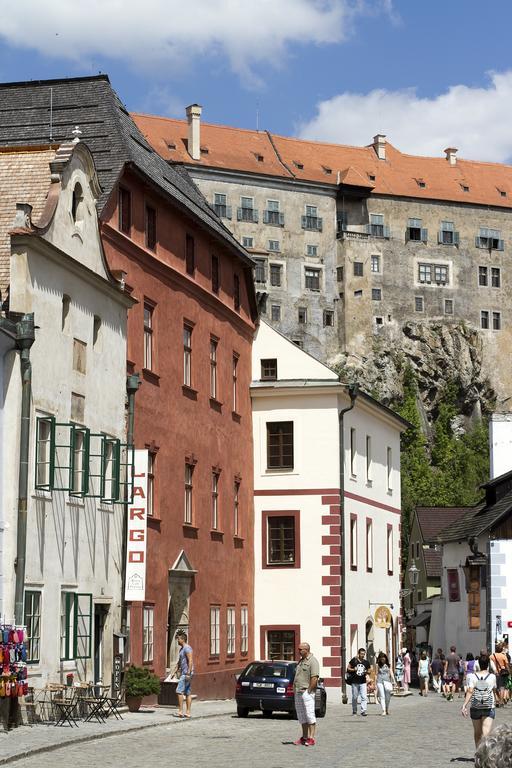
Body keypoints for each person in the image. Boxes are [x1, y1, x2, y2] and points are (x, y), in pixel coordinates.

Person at [461, 653, 497, 749]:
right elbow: (494, 690)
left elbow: (470, 691)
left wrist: (464, 705)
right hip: (488, 706)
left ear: (479, 664)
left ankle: (478, 753)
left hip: (476, 706)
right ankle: (485, 754)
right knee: (486, 734)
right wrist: (497, 700)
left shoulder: (472, 676)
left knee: (477, 733)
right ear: (488, 664)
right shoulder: (492, 677)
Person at [293, 642, 319, 747]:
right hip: (298, 692)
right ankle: (304, 737)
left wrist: (308, 691)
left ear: (306, 650)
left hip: (306, 692)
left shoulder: (313, 661)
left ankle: (311, 738)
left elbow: (314, 678)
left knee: (309, 715)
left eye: (300, 649)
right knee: (301, 716)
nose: (298, 651)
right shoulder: (301, 661)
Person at [175, 630, 194, 718]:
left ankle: (180, 711)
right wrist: (176, 670)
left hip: (186, 673)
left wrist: (188, 672)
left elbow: (190, 660)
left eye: (178, 639)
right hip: (185, 672)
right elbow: (180, 661)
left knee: (179, 691)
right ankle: (188, 712)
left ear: (183, 639)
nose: (177, 641)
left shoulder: (187, 648)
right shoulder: (182, 649)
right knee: (187, 692)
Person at [347, 648, 371, 716]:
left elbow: (369, 671)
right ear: (359, 654)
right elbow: (348, 668)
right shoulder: (354, 660)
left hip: (363, 681)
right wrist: (353, 669)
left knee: (364, 697)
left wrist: (366, 671)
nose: (363, 655)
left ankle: (363, 711)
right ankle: (354, 711)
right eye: (361, 654)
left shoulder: (366, 662)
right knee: (355, 697)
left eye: (364, 654)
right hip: (354, 681)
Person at [491, 642, 509, 708]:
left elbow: (490, 665)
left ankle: (497, 700)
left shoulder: (491, 656)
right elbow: (507, 666)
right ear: (501, 650)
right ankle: (501, 702)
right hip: (502, 673)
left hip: (494, 673)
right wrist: (509, 672)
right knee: (502, 687)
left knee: (495, 688)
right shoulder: (503, 656)